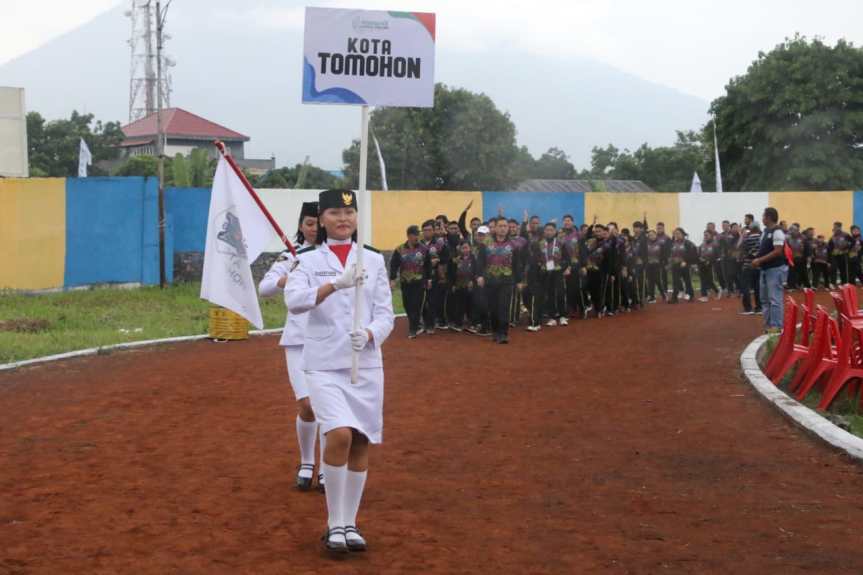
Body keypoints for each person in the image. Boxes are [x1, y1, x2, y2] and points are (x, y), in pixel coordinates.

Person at [285, 188, 395, 554]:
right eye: (334, 213)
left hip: (364, 363)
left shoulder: (373, 260)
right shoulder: (306, 260)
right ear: (322, 218)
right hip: (323, 365)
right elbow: (295, 302)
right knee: (339, 436)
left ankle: (350, 523)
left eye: (349, 213)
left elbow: (386, 314)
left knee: (361, 439)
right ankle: (333, 524)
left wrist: (369, 334)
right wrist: (335, 284)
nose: (343, 219)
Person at [258, 201, 324, 492]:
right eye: (309, 223)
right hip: (298, 340)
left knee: (325, 406)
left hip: (329, 339)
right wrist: (290, 277)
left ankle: (326, 467)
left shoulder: (332, 257)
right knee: (307, 405)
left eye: (318, 223)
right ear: (301, 226)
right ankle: (307, 461)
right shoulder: (290, 257)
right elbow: (265, 288)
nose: (314, 228)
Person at [476, 217, 525, 343]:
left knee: (503, 307)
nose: (503, 228)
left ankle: (503, 333)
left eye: (505, 226)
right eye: (500, 226)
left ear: (508, 228)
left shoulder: (514, 245)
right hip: (490, 280)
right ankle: (495, 331)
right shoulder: (486, 243)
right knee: (492, 308)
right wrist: (479, 276)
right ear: (495, 228)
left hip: (506, 281)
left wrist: (519, 280)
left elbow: (517, 264)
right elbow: (480, 261)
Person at [389, 225, 429, 339]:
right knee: (407, 305)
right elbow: (394, 265)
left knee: (416, 305)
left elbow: (428, 265)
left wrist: (428, 279)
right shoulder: (399, 249)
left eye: (418, 234)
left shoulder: (424, 249)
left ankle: (413, 328)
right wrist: (392, 279)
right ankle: (415, 324)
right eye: (415, 234)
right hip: (405, 283)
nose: (417, 237)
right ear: (409, 236)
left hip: (419, 282)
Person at [752, 207, 788, 333]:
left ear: (768, 217)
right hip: (765, 270)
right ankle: (768, 325)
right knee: (765, 300)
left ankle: (777, 326)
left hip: (774, 270)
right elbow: (765, 249)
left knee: (774, 299)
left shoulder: (777, 232)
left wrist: (760, 260)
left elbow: (778, 251)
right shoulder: (766, 231)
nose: (762, 218)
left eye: (763, 216)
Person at [449, 241, 479, 331]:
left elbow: (477, 272)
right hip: (459, 286)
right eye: (463, 248)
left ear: (470, 248)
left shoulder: (474, 259)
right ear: (460, 249)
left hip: (471, 286)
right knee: (459, 305)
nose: (465, 250)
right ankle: (458, 324)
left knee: (471, 305)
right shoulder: (456, 260)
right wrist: (453, 284)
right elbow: (452, 273)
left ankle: (472, 324)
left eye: (466, 247)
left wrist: (473, 281)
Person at [739, 224, 763, 315]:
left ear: (750, 229)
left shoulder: (746, 240)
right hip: (759, 266)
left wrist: (742, 235)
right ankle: (759, 308)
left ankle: (748, 308)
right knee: (758, 287)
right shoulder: (762, 239)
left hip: (747, 266)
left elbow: (739, 250)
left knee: (746, 287)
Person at [668, 228, 696, 304]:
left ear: (683, 234)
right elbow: (671, 254)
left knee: (687, 281)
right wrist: (670, 262)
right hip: (675, 265)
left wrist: (686, 261)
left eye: (678, 233)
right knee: (675, 282)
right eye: (675, 233)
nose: (676, 235)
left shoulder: (688, 243)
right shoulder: (673, 243)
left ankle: (691, 295)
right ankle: (674, 298)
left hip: (685, 265)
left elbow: (693, 254)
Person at [697, 230, 721, 302]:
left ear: (711, 236)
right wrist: (700, 260)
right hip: (702, 264)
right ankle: (705, 295)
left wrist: (710, 261)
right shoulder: (702, 245)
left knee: (709, 280)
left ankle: (707, 295)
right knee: (703, 280)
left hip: (710, 264)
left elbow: (718, 255)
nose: (705, 236)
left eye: (707, 235)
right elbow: (699, 254)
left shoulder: (715, 244)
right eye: (704, 235)